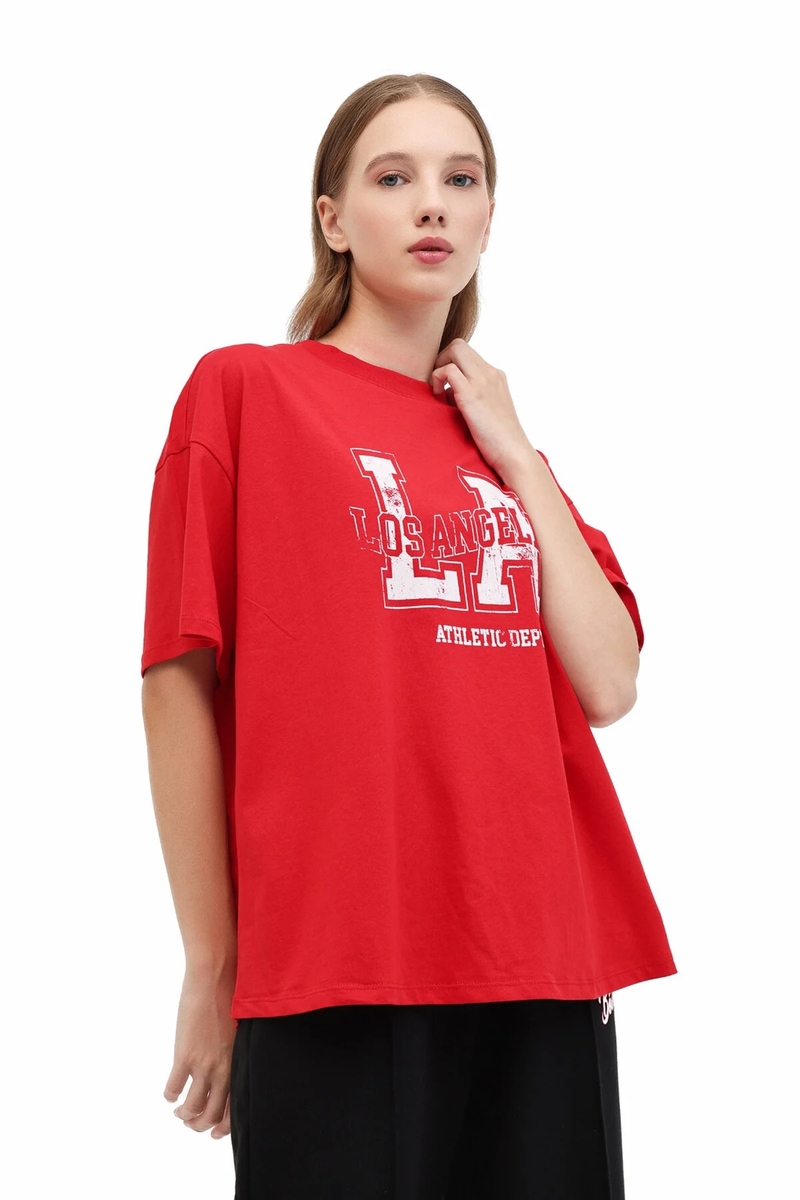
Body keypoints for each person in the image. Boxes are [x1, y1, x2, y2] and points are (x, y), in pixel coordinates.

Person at [140, 73, 677, 1199]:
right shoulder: (247, 392)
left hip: (539, 954)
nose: (432, 202)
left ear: (488, 221)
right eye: (393, 178)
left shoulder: (505, 450)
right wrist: (212, 960)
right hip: (335, 961)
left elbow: (609, 680)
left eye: (460, 179)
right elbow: (178, 675)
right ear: (332, 219)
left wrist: (515, 448)